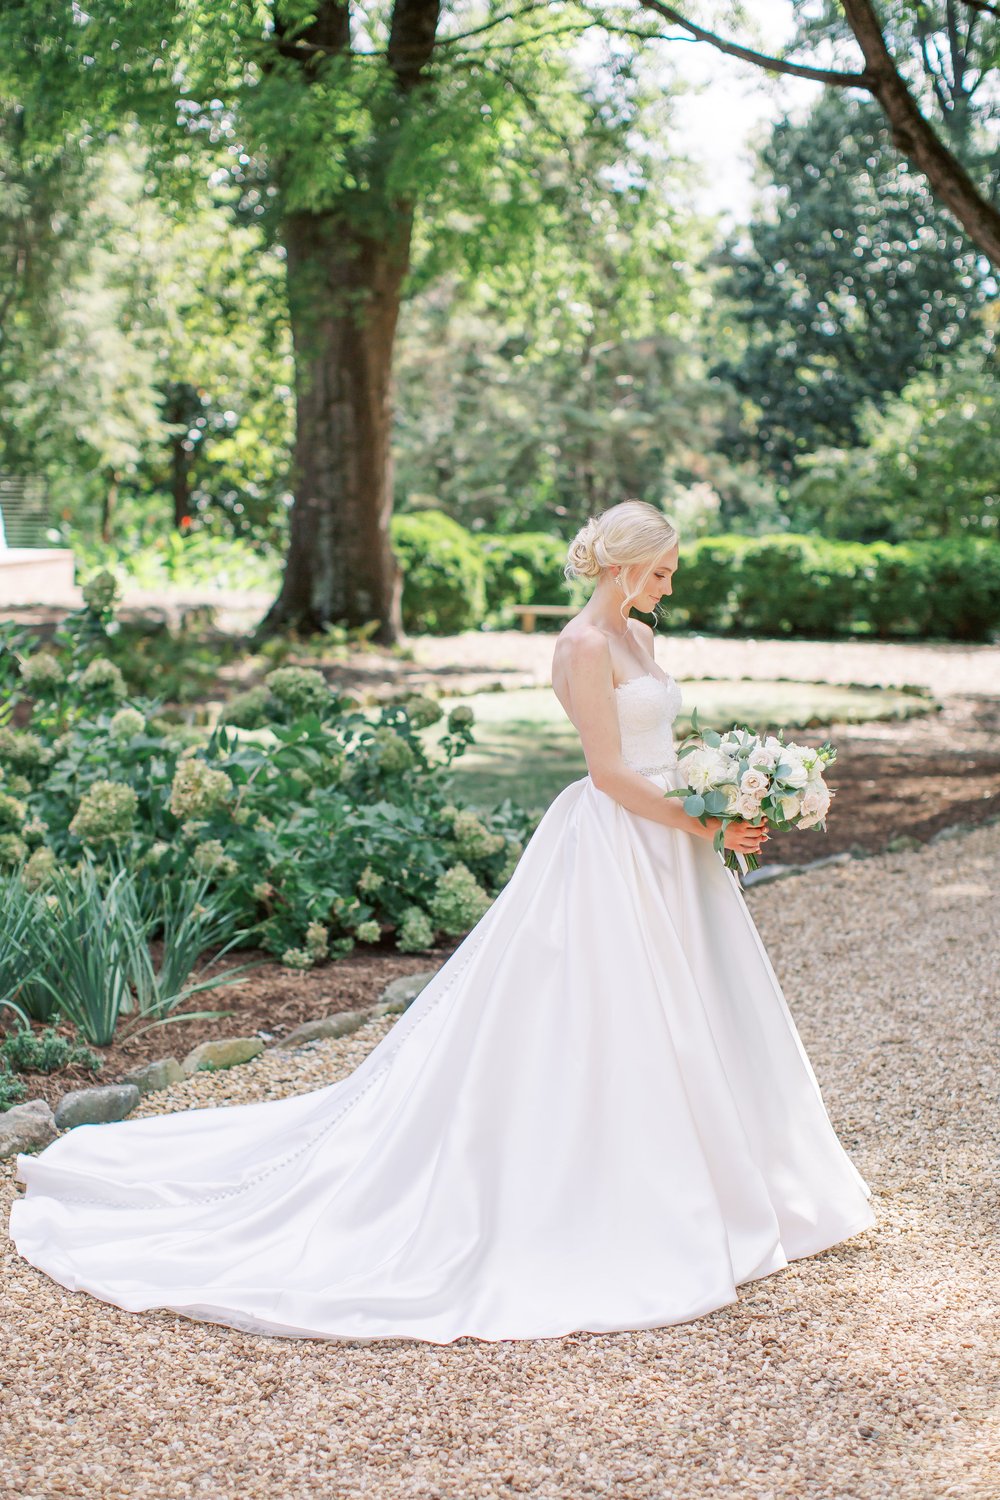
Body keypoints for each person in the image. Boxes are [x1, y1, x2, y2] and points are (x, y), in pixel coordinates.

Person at [9, 501, 875, 1346]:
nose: (666, 588)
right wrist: (703, 821)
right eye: (657, 572)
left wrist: (722, 787)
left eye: (670, 574)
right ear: (616, 567)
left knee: (701, 1007)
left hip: (675, 850)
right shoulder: (578, 646)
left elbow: (658, 746)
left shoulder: (641, 637)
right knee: (609, 1014)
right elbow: (609, 772)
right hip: (623, 841)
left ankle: (735, 1179)